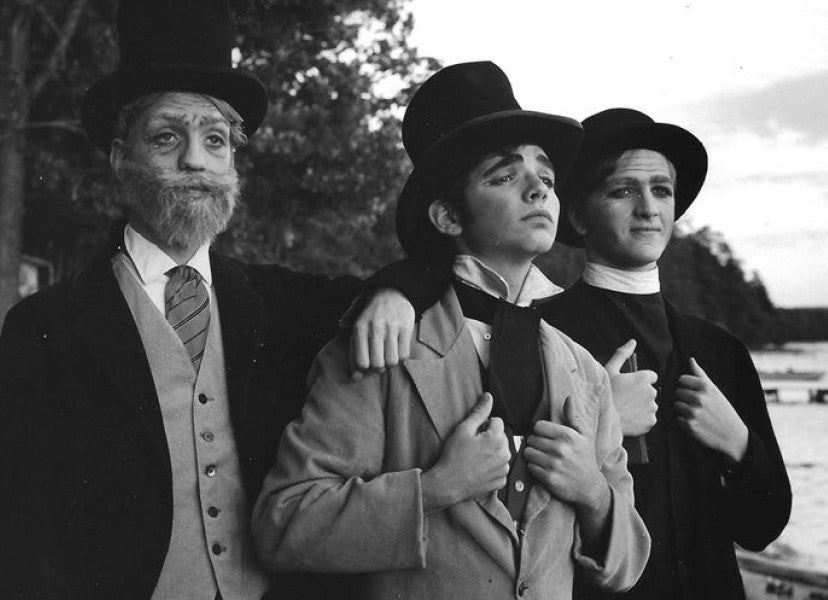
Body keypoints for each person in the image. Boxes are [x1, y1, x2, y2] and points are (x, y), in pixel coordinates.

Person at [0, 2, 441, 599]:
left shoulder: (282, 301)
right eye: (167, 137)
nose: (194, 159)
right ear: (120, 158)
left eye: (215, 140)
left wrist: (397, 291)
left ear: (232, 163)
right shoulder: (45, 325)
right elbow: (6, 527)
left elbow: (429, 269)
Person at [252, 62, 650, 600]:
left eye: (548, 178)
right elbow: (284, 527)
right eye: (504, 176)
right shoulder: (383, 344)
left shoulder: (584, 369)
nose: (539, 189)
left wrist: (594, 493)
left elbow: (627, 568)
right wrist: (437, 488)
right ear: (446, 217)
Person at [540, 108, 792, 600]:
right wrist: (603, 416)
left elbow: (763, 526)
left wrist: (739, 443)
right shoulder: (542, 332)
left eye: (661, 190)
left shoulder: (721, 350)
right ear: (577, 215)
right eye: (622, 190)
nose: (648, 208)